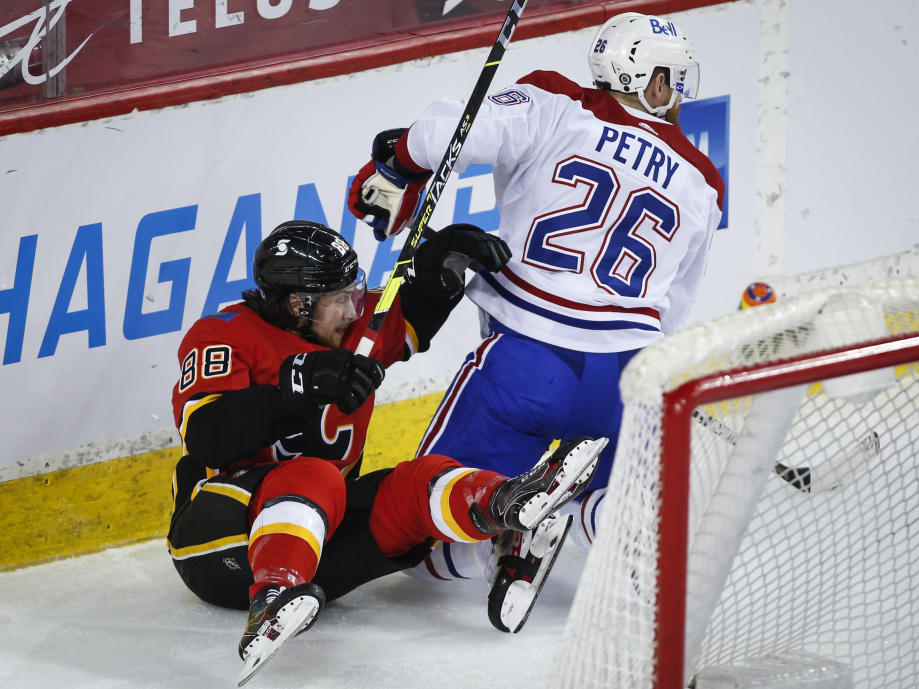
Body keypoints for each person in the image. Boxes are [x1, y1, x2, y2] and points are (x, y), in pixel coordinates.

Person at [348, 11, 724, 630]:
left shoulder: (555, 100)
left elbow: (451, 133)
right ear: (651, 81)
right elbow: (671, 310)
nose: (676, 93)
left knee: (426, 537)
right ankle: (586, 513)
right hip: (626, 380)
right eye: (672, 79)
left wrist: (398, 158)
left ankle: (508, 526)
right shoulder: (703, 180)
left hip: (525, 363)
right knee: (610, 504)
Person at [166, 219, 606, 683]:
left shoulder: (354, 326)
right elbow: (207, 437)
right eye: (340, 300)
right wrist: (292, 391)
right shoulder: (224, 333)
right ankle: (272, 596)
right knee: (315, 474)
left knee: (416, 483)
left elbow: (414, 313)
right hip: (218, 541)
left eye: (353, 293)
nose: (354, 308)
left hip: (317, 551)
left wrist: (441, 266)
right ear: (299, 304)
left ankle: (507, 504)